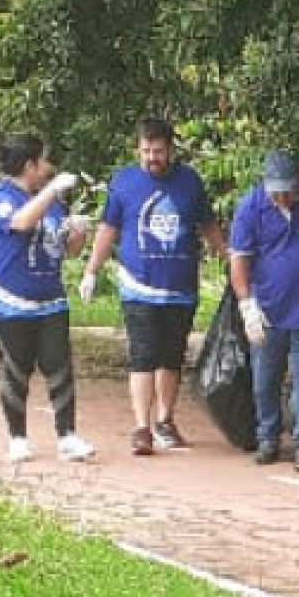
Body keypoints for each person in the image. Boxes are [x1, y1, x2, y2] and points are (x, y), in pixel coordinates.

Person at [78, 118, 227, 455]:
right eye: (145, 151)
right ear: (138, 150)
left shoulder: (189, 182)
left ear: (170, 150)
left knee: (172, 356)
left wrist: (231, 261)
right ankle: (141, 426)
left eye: (157, 151)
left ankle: (165, 419)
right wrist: (91, 270)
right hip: (137, 285)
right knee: (143, 355)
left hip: (180, 286)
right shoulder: (124, 181)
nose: (151, 157)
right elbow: (108, 228)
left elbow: (208, 226)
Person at [0, 133, 96, 464]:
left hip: (50, 299)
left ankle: (68, 436)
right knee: (17, 368)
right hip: (5, 300)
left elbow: (67, 250)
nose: (48, 167)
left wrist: (79, 231)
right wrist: (52, 190)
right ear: (29, 165)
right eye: (43, 161)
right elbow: (20, 222)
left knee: (60, 366)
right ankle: (17, 438)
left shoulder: (53, 203)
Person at [227, 151, 299, 474]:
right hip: (268, 309)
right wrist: (246, 304)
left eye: (288, 190)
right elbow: (238, 258)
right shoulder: (250, 208)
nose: (282, 197)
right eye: (275, 190)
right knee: (265, 377)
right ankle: (267, 434)